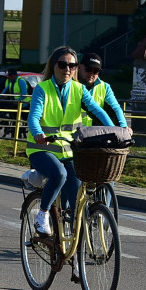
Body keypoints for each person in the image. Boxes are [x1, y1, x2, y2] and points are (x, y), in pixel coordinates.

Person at [26, 46, 115, 236]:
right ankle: (42, 215)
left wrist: (113, 132)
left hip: (68, 151)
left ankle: (76, 251)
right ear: (54, 65)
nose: (68, 69)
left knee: (76, 202)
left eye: (72, 65)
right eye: (63, 64)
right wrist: (38, 133)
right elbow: (33, 116)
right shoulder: (43, 89)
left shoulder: (79, 89)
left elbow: (97, 110)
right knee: (59, 174)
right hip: (42, 149)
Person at [77, 52, 130, 129]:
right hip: (72, 134)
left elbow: (116, 108)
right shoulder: (72, 86)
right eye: (88, 69)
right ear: (79, 67)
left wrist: (124, 127)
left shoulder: (105, 87)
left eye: (96, 71)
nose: (92, 74)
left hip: (92, 133)